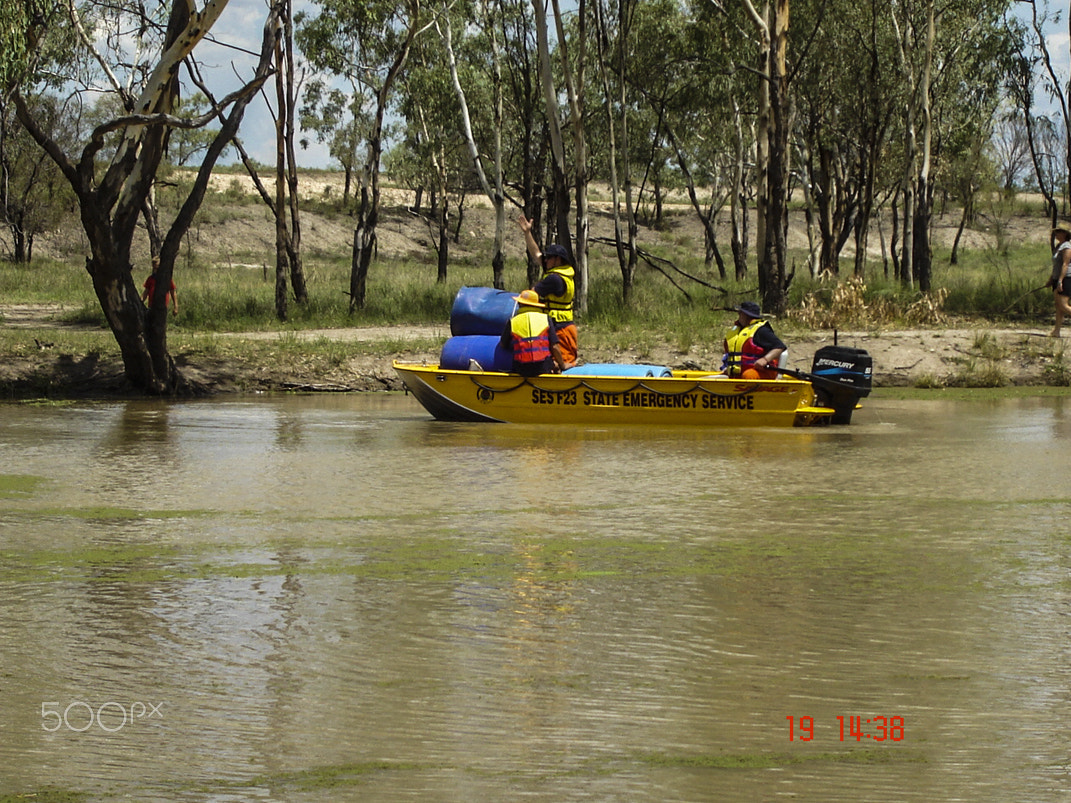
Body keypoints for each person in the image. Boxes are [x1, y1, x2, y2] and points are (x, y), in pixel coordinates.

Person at [517, 215, 577, 368]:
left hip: (560, 329)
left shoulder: (554, 279)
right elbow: (536, 254)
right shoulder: (561, 271)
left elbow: (532, 295)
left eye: (548, 257)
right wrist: (527, 233)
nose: (545, 260)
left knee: (560, 365)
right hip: (561, 325)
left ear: (557, 259)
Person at [500, 289, 566, 376]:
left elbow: (503, 344)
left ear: (521, 304)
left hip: (521, 369)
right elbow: (555, 347)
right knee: (554, 366)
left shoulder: (512, 321)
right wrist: (562, 365)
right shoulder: (545, 319)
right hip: (543, 367)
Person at [722, 301, 787, 379]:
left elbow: (779, 347)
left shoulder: (761, 331)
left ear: (747, 315)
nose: (739, 315)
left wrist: (765, 359)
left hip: (761, 371)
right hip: (740, 372)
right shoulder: (736, 331)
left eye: (740, 313)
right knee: (723, 377)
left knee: (748, 375)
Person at [1049, 224, 1071, 337]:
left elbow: (1065, 264)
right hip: (1057, 278)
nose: (1056, 233)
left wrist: (1060, 281)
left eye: (1059, 231)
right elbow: (1056, 265)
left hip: (1066, 278)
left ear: (1065, 234)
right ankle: (1056, 331)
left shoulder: (1067, 246)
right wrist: (1051, 279)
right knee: (1058, 306)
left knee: (1063, 305)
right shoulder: (1059, 246)